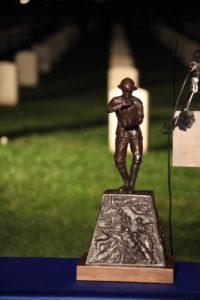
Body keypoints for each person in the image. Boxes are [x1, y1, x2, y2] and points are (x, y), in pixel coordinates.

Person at [106, 77, 144, 193]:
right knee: (118, 159)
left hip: (134, 131)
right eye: (125, 91)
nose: (127, 93)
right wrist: (121, 105)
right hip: (122, 132)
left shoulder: (137, 102)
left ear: (133, 91)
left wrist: (131, 123)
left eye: (129, 91)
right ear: (121, 90)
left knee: (137, 157)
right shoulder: (117, 100)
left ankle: (131, 184)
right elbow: (108, 108)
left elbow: (140, 117)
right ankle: (127, 183)